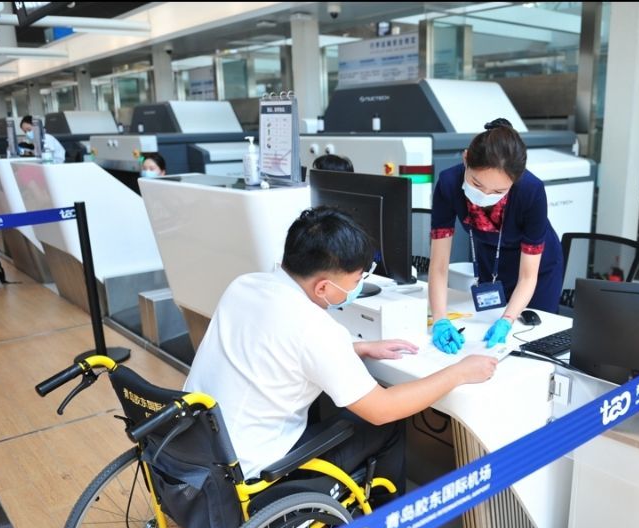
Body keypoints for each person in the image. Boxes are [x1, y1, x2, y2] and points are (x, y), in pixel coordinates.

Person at [184, 207, 498, 503]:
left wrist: (356, 348)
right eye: (357, 280)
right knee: (385, 426)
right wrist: (460, 372)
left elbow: (269, 346)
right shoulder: (315, 328)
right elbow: (382, 409)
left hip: (192, 456)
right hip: (248, 477)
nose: (358, 287)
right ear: (322, 288)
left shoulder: (245, 285)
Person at [428, 117, 564, 354]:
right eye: (477, 184)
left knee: (533, 341)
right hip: (490, 259)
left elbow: (528, 276)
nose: (485, 196)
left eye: (499, 191)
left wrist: (507, 320)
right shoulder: (449, 184)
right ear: (465, 158)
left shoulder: (531, 191)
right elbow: (439, 265)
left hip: (537, 269)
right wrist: (439, 319)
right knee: (481, 334)